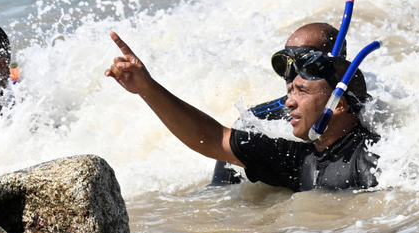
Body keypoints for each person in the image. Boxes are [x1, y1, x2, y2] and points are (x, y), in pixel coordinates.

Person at [106, 31, 379, 192]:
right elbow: (212, 138)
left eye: (302, 91)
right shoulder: (294, 152)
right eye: (290, 88)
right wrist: (147, 88)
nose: (288, 101)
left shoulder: (371, 158)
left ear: (339, 104)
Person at [210, 22, 350, 185]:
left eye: (305, 65)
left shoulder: (369, 111)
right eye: (284, 65)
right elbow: (220, 196)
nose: (291, 79)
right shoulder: (256, 123)